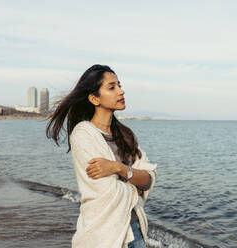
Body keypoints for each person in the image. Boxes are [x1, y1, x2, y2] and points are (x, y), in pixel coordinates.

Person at [46, 64, 157, 248]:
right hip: (101, 236)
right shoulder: (83, 135)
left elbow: (148, 180)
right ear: (94, 98)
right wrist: (133, 180)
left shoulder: (126, 135)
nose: (121, 91)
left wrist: (118, 168)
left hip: (135, 232)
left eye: (119, 85)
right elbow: (106, 191)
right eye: (112, 87)